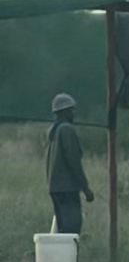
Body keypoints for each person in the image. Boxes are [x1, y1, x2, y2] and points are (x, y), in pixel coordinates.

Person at [46, 93, 94, 234]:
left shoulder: (53, 130)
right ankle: (69, 256)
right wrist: (86, 188)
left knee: (62, 229)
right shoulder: (66, 129)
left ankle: (60, 256)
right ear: (64, 111)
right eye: (71, 110)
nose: (73, 113)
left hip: (55, 188)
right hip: (67, 188)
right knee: (72, 229)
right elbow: (74, 162)